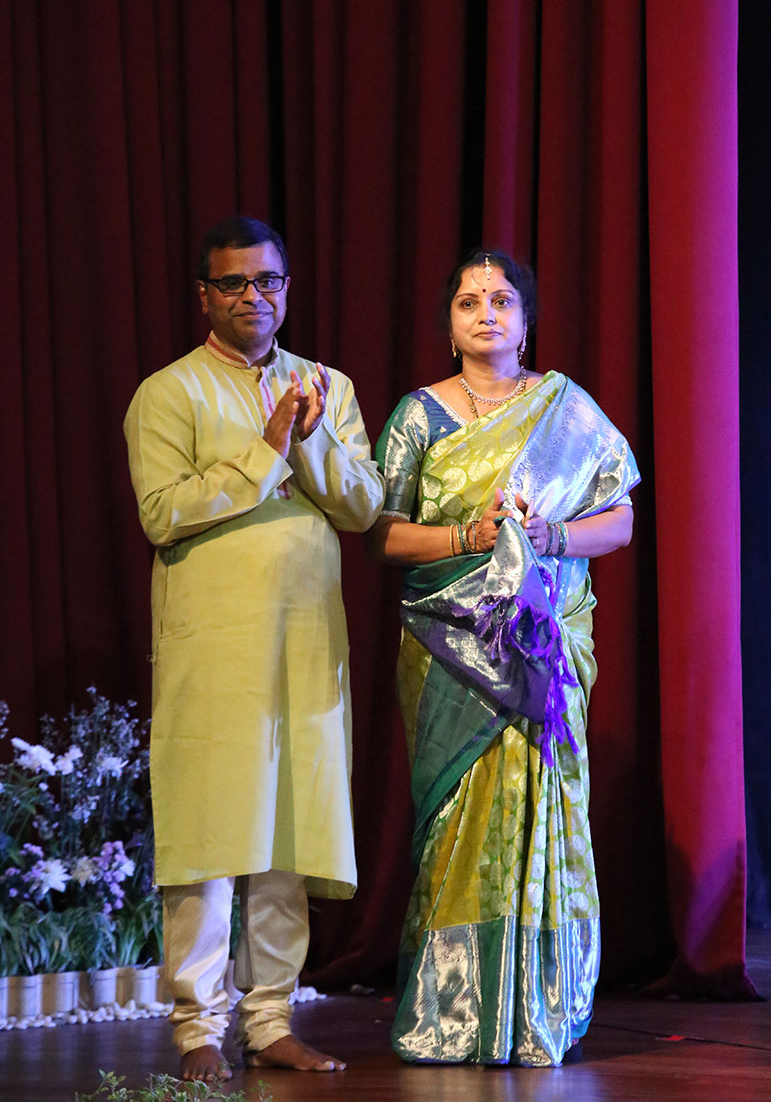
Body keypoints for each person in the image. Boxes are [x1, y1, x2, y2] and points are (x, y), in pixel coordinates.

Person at [124, 215, 384, 1081]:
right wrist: (267, 449)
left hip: (306, 642)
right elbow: (162, 512)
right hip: (214, 648)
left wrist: (310, 437)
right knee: (210, 833)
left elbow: (361, 507)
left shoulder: (328, 387)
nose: (253, 297)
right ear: (204, 295)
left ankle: (270, 1021)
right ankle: (197, 1028)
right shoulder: (169, 393)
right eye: (233, 283)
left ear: (286, 288)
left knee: (289, 837)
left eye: (266, 281)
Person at [368, 249, 640, 1067]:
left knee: (540, 808)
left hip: (545, 646)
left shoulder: (568, 410)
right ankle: (452, 1009)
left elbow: (620, 521)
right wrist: (470, 537)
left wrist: (549, 536)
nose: (486, 313)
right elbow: (383, 534)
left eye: (501, 300)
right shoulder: (418, 416)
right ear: (449, 325)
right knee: (460, 819)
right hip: (449, 646)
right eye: (468, 302)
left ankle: (539, 1006)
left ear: (526, 321)